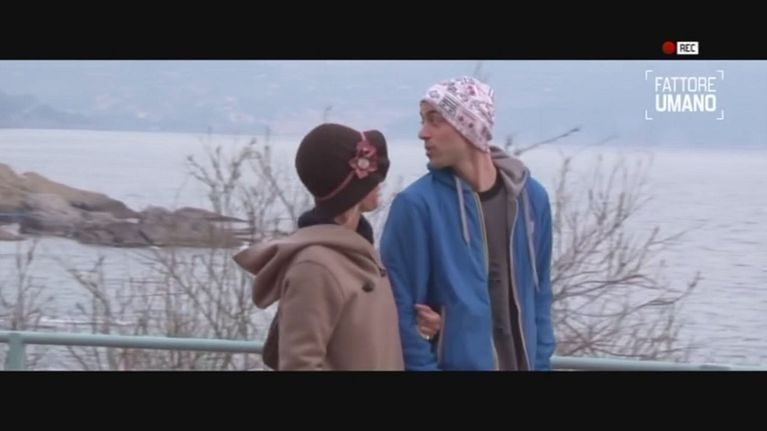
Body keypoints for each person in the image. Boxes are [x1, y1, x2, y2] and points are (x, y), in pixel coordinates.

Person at [380, 76, 556, 371]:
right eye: (423, 120)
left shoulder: (531, 199)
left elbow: (540, 296)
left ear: (468, 125)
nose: (423, 133)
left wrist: (540, 363)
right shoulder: (415, 207)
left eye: (435, 120)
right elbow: (400, 312)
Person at [234, 123, 441, 371]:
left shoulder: (358, 253)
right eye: (373, 174)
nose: (380, 182)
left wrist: (414, 328)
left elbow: (359, 341)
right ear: (352, 184)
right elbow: (300, 365)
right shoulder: (315, 267)